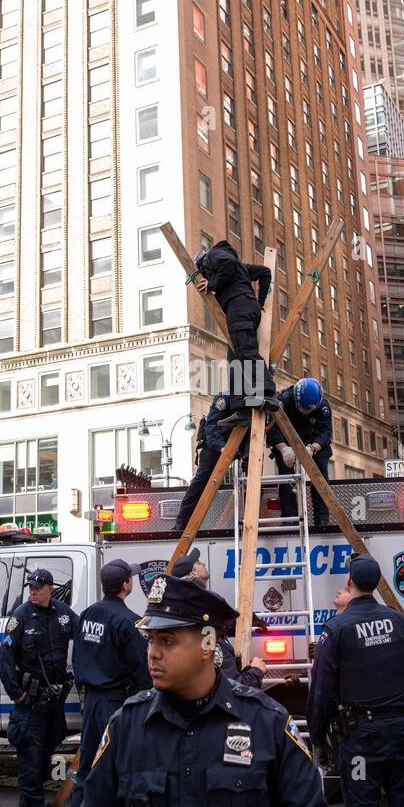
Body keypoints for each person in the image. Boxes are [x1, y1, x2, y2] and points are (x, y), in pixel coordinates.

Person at [82, 574, 326, 807]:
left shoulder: (266, 723)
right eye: (149, 639)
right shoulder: (126, 725)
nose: (152, 653)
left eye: (167, 641)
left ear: (208, 643)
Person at [307, 554, 404, 807]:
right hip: (402, 733)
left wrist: (319, 739)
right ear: (377, 583)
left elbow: (321, 690)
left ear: (350, 581)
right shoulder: (399, 622)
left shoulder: (336, 628)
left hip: (360, 741)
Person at [68, 559, 151, 807]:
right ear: (126, 585)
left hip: (91, 701)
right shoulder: (130, 622)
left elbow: (77, 657)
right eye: (131, 578)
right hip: (116, 704)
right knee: (118, 766)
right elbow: (143, 670)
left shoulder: (88, 614)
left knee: (86, 767)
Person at [0, 567, 78, 807]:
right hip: (30, 702)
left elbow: (84, 636)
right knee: (30, 758)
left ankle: (28, 797)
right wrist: (17, 694)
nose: (32, 592)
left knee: (47, 751)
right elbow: (4, 659)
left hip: (54, 701)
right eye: (30, 588)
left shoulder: (63, 613)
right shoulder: (20, 616)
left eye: (37, 588)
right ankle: (33, 806)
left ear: (49, 589)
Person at [192, 239, 276, 425]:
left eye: (203, 273)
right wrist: (259, 303)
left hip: (239, 308)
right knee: (235, 360)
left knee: (246, 352)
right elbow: (265, 272)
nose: (204, 276)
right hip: (245, 309)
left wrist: (212, 283)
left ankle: (267, 392)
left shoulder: (212, 256)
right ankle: (241, 408)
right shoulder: (241, 268)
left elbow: (227, 264)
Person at [169, 549, 266, 688]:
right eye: (197, 562)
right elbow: (234, 687)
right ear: (193, 573)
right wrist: (257, 671)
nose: (202, 563)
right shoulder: (211, 639)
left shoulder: (189, 614)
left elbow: (218, 622)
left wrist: (248, 621)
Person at [265, 378, 333, 525]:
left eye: (308, 410)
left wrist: (313, 448)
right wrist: (283, 449)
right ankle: (289, 521)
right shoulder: (282, 401)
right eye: (301, 407)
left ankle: (322, 519)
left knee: (320, 477)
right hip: (286, 443)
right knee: (286, 480)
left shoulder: (323, 407)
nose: (304, 411)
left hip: (313, 442)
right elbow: (272, 428)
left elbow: (326, 432)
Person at [172, 392, 240, 530]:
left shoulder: (253, 399)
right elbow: (211, 427)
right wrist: (222, 447)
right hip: (213, 447)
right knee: (200, 481)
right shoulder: (224, 399)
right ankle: (181, 523)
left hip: (235, 446)